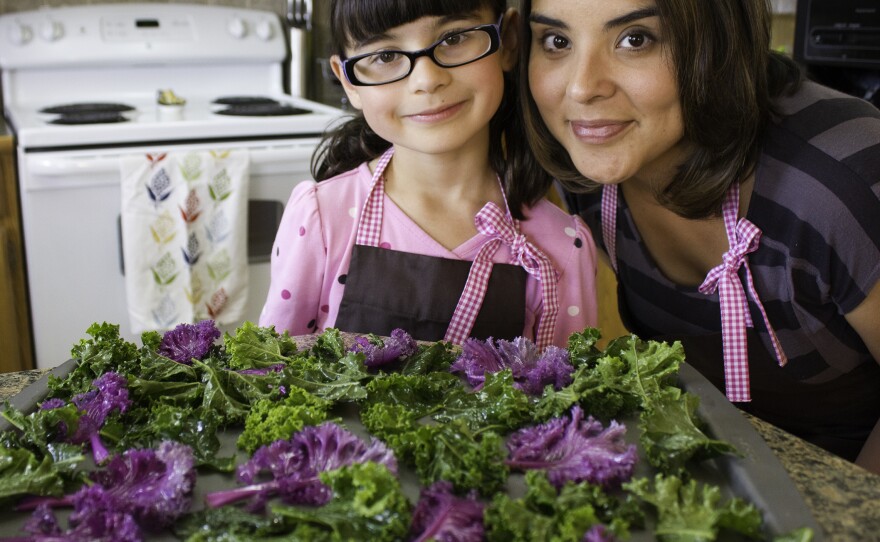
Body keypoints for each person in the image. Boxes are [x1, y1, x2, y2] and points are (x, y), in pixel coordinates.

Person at [514, 0, 880, 473]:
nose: (582, 88)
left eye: (636, 39)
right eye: (557, 41)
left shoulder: (841, 177)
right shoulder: (589, 170)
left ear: (721, 38)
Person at [259, 0, 598, 350]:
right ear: (349, 82)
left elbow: (565, 396)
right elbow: (267, 374)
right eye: (386, 56)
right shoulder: (321, 219)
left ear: (508, 41)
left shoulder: (562, 246)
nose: (427, 80)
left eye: (454, 38)